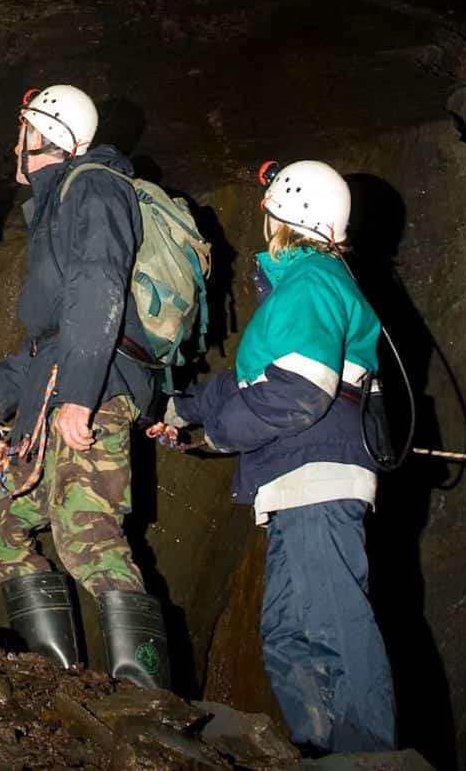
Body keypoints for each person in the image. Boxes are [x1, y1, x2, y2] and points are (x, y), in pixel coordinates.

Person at [158, 159, 395, 753]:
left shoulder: (312, 282)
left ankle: (365, 756)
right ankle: (318, 751)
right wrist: (179, 410)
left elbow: (297, 393)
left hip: (319, 475)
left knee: (333, 621)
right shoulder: (305, 288)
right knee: (288, 632)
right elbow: (249, 384)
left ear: (280, 217)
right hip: (300, 481)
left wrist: (217, 437)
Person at [0, 84, 171, 687]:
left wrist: (80, 392)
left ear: (45, 135)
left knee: (86, 536)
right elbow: (51, 334)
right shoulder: (54, 207)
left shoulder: (93, 186)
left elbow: (99, 289)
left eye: (22, 129)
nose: (13, 142)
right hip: (55, 388)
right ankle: (59, 678)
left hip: (93, 390)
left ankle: (146, 694)